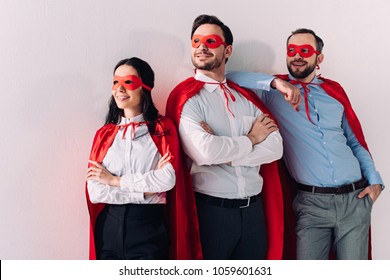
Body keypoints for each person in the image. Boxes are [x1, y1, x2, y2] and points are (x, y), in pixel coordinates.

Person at [227, 28, 384, 260]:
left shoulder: (334, 91)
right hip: (312, 204)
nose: (297, 56)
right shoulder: (273, 93)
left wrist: (375, 181)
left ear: (318, 58)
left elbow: (355, 142)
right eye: (291, 50)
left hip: (355, 199)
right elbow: (229, 76)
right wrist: (276, 84)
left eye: (305, 50)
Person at [165, 14, 297, 260]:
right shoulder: (188, 98)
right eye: (196, 41)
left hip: (254, 213)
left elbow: (276, 148)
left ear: (227, 50)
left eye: (211, 41)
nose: (202, 47)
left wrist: (226, 155)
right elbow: (205, 152)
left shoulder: (245, 98)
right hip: (212, 214)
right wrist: (252, 139)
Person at [85, 57, 202, 260]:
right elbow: (96, 192)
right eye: (115, 82)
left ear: (144, 87)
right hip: (109, 230)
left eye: (128, 82)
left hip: (148, 230)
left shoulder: (162, 129)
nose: (120, 89)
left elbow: (167, 180)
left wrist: (114, 181)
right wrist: (146, 192)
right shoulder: (104, 135)